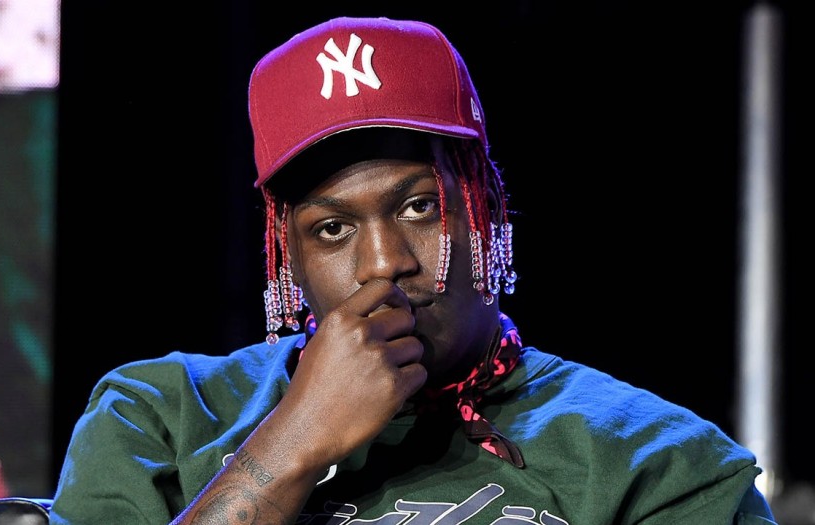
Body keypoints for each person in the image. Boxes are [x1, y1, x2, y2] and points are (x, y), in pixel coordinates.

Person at [49, 16, 777, 524]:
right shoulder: (158, 412)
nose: (384, 264)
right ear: (287, 256)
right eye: (331, 229)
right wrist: (292, 441)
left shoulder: (662, 462)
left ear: (488, 207)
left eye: (421, 207)